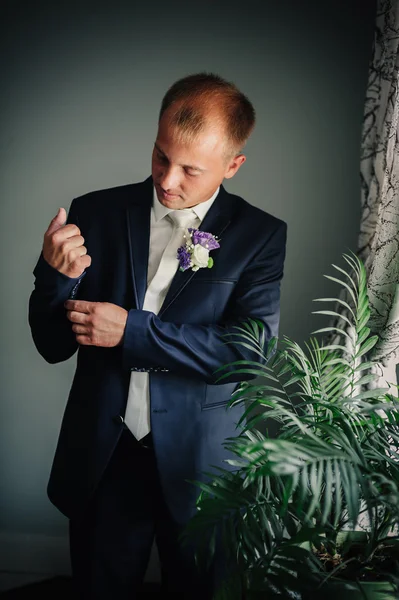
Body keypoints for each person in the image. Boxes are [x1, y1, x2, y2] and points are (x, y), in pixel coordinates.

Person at [28, 72, 287, 599]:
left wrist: (132, 330)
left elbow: (248, 354)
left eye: (191, 169)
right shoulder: (94, 212)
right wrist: (55, 276)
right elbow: (52, 345)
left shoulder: (261, 236)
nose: (168, 180)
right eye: (160, 155)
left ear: (232, 165)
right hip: (105, 456)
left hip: (202, 467)